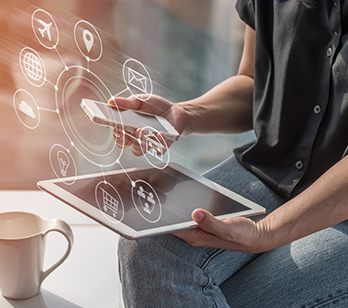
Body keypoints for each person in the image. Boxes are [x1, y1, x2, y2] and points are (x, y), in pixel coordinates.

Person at [112, 0, 348, 307]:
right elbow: (254, 82)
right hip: (275, 167)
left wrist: (265, 232)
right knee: (148, 242)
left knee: (238, 299)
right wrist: (186, 114)